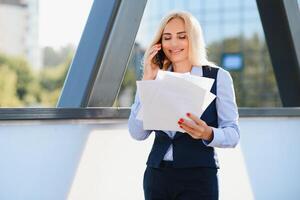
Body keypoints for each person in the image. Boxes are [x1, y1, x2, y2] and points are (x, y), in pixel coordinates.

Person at [128, 11, 240, 200]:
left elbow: (233, 134)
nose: (173, 44)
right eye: (167, 37)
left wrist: (207, 133)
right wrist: (147, 82)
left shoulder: (217, 77)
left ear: (193, 39)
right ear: (159, 44)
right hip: (157, 176)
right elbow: (137, 133)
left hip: (198, 177)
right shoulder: (155, 78)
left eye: (182, 36)